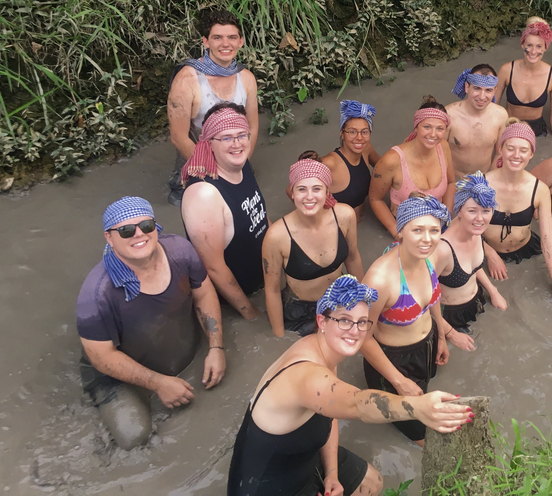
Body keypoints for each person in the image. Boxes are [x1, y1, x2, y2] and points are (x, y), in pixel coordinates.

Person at [227, 275, 472, 496]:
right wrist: (417, 408)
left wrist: (332, 473)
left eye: (362, 322)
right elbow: (357, 404)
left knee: (372, 482)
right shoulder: (307, 375)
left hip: (302, 458)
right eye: (344, 320)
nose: (355, 331)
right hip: (263, 485)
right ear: (322, 321)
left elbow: (330, 415)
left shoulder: (325, 353)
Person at [76, 197, 226, 450]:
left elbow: (204, 294)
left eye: (146, 225)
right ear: (109, 238)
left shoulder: (180, 250)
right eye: (126, 230)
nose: (139, 234)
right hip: (115, 374)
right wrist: (159, 383)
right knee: (135, 437)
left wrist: (216, 347)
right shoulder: (96, 295)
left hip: (175, 345)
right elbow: (101, 357)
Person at [360, 195, 457, 445]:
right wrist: (399, 381)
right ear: (401, 230)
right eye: (417, 230)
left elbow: (433, 301)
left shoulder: (430, 257)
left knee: (426, 395)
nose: (427, 239)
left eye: (434, 230)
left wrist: (441, 336)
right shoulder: (379, 280)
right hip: (394, 361)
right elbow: (362, 338)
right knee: (420, 434)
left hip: (427, 345)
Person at [181, 103, 268, 319]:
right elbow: (213, 267)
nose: (237, 144)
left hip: (264, 281)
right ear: (209, 143)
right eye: (226, 138)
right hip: (233, 301)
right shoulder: (203, 194)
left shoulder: (241, 164)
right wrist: (250, 314)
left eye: (242, 135)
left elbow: (260, 218)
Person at [262, 156, 364, 337]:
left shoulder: (345, 216)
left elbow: (353, 258)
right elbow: (272, 290)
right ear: (292, 193)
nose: (309, 196)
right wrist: (279, 336)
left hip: (338, 298)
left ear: (327, 191)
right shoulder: (276, 236)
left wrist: (362, 302)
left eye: (317, 188)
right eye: (301, 189)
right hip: (300, 313)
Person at [166, 8, 259, 206]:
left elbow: (252, 126)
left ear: (240, 42)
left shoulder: (246, 78)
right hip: (197, 159)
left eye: (232, 37)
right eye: (217, 37)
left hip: (233, 153)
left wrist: (241, 162)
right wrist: (216, 174)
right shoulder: (187, 80)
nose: (225, 44)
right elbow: (178, 136)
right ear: (206, 42)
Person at [483, 120, 552, 303]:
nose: (516, 155)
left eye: (523, 150)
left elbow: (548, 240)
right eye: (510, 148)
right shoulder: (482, 184)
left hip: (526, 250)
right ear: (500, 149)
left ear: (531, 154)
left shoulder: (540, 189)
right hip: (484, 250)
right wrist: (489, 253)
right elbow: (463, 229)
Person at [433, 173, 508, 343]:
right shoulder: (443, 249)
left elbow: (473, 267)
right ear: (459, 210)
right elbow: (423, 295)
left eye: (486, 211)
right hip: (449, 316)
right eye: (472, 211)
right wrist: (450, 333)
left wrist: (493, 291)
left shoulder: (475, 230)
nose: (480, 218)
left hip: (476, 300)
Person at [369, 98, 456, 239]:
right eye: (427, 127)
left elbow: (451, 183)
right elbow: (375, 199)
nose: (433, 134)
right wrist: (397, 234)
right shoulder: (392, 160)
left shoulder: (443, 146)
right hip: (406, 228)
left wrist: (447, 217)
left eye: (440, 128)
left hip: (437, 225)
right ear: (416, 127)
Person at [493, 18, 552, 138]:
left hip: (537, 131)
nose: (533, 51)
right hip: (510, 126)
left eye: (539, 46)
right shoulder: (507, 70)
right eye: (529, 45)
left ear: (545, 48)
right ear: (522, 44)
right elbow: (494, 107)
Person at [445, 64, 509, 178]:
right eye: (477, 88)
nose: (482, 96)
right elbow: (436, 153)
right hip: (453, 178)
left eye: (488, 90)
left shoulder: (501, 115)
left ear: (494, 91)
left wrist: (490, 180)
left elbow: (500, 154)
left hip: (483, 178)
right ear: (467, 87)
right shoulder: (449, 115)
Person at [320, 100, 381, 217]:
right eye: (352, 132)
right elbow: (292, 189)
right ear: (342, 134)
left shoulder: (367, 149)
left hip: (363, 222)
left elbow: (386, 168)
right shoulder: (330, 163)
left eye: (364, 132)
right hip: (336, 226)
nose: (359, 137)